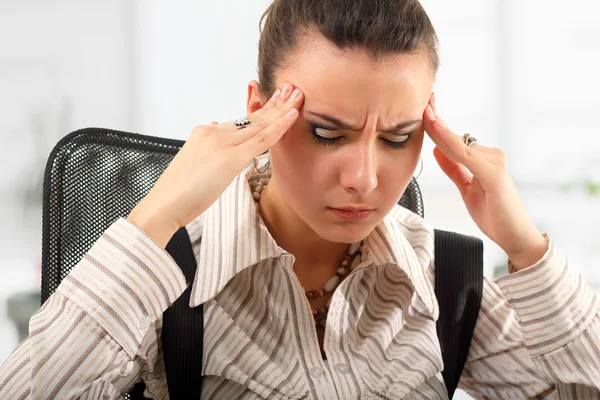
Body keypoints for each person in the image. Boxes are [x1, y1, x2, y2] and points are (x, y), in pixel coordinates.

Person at [1, 0, 599, 398]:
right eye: (327, 133)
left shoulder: (447, 280)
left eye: (398, 137)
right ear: (261, 113)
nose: (364, 177)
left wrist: (528, 248)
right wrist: (157, 217)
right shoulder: (172, 273)